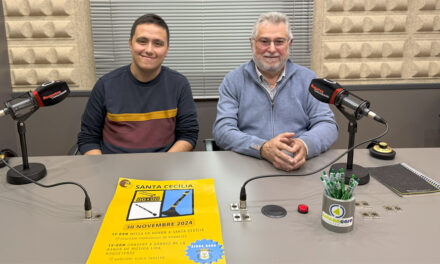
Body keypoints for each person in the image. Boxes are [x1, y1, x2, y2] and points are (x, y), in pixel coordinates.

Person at [213, 12, 338, 171]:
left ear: (289, 44)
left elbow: (327, 125)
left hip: (298, 165)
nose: (272, 49)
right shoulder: (233, 81)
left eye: (279, 41)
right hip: (249, 165)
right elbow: (222, 130)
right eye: (264, 41)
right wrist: (262, 148)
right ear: (252, 43)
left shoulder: (308, 79)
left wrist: (305, 144)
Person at [78, 14, 199, 155]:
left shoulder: (179, 84)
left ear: (167, 50)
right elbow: (88, 139)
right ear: (130, 44)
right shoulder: (105, 85)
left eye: (158, 43)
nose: (149, 50)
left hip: (164, 168)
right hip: (114, 170)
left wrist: (165, 163)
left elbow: (188, 135)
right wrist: (102, 171)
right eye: (142, 41)